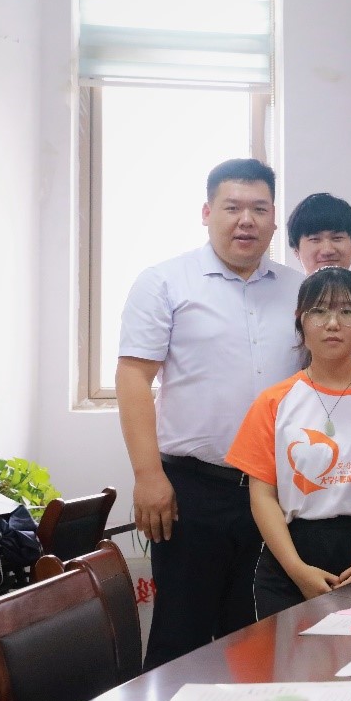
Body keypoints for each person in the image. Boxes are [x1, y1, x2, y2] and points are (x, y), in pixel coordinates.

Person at [116, 157, 303, 669]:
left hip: (276, 491)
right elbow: (134, 378)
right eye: (232, 207)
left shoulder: (298, 289)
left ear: (273, 218)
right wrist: (147, 475)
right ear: (206, 212)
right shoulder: (165, 282)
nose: (246, 220)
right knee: (182, 637)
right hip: (191, 491)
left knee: (259, 637)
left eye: (259, 209)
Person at [226, 268, 351, 619]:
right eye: (319, 311)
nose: (332, 323)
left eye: (347, 311)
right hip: (290, 563)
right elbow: (262, 496)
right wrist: (297, 570)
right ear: (301, 321)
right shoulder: (274, 401)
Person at [285, 192, 351, 310]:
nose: (327, 250)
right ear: (296, 250)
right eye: (315, 239)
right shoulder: (281, 309)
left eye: (337, 238)